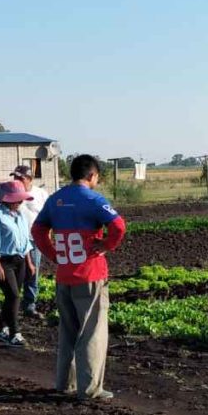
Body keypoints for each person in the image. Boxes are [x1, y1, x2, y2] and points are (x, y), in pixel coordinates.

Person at [32, 154, 127, 401]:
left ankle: (65, 383)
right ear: (92, 175)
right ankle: (89, 389)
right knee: (92, 331)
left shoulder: (56, 199)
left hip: (64, 275)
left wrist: (52, 253)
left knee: (69, 331)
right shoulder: (93, 199)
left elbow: (38, 229)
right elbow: (118, 226)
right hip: (90, 274)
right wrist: (106, 245)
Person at [0, 180, 36, 346]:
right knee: (14, 295)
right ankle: (15, 332)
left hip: (19, 260)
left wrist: (29, 262)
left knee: (11, 297)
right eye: (17, 199)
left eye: (21, 199)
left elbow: (25, 240)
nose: (20, 202)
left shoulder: (19, 215)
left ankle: (0, 328)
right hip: (4, 262)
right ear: (6, 199)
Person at [10, 165, 50, 319]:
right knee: (14, 272)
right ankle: (13, 303)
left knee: (32, 272)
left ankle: (29, 304)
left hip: (33, 239)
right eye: (15, 177)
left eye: (20, 178)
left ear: (30, 179)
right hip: (14, 240)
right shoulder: (11, 193)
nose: (17, 181)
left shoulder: (40, 194)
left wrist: (47, 236)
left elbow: (48, 216)